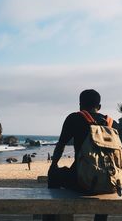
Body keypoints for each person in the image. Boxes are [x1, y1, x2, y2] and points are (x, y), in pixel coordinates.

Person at [47, 89, 117, 221]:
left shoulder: (74, 118)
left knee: (53, 175)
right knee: (103, 184)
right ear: (99, 106)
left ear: (80, 105)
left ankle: (51, 216)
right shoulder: (112, 124)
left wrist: (53, 165)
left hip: (82, 182)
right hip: (110, 183)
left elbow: (61, 145)